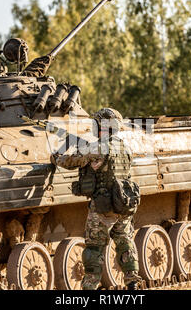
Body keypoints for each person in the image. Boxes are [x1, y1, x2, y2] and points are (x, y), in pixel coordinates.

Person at [51, 108, 142, 290]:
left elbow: (72, 161)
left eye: (97, 124)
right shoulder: (126, 147)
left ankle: (90, 287)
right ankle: (132, 282)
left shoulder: (99, 147)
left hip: (103, 207)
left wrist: (56, 158)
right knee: (125, 244)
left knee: (94, 249)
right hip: (123, 206)